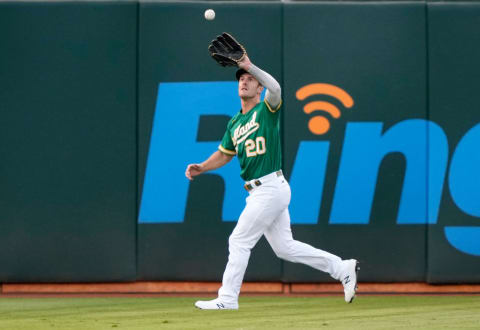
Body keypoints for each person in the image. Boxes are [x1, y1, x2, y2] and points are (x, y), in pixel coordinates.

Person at [185, 54, 359, 310]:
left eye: (250, 79)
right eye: (241, 79)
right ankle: (341, 267)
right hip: (260, 191)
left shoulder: (266, 110)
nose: (244, 82)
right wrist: (203, 167)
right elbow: (224, 154)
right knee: (285, 248)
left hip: (269, 186)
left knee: (239, 240)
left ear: (259, 87)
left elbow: (276, 88)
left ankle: (228, 298)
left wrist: (250, 65)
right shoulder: (235, 122)